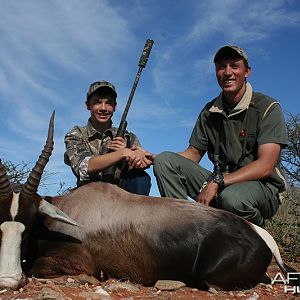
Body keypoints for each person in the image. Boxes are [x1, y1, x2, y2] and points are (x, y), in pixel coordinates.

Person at [153, 45, 288, 226]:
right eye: (221, 67)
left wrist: (218, 181)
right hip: (221, 185)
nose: (227, 72)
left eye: (234, 66)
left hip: (261, 188)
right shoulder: (210, 111)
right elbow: (193, 154)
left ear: (247, 71)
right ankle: (185, 230)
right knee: (165, 161)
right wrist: (154, 158)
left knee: (232, 199)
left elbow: (265, 166)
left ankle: (260, 240)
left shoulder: (267, 107)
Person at [64, 80, 153, 195]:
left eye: (109, 103)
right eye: (97, 102)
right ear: (88, 105)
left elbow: (142, 163)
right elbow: (83, 167)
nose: (103, 108)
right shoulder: (76, 134)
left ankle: (137, 211)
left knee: (140, 178)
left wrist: (134, 156)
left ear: (115, 107)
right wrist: (123, 153)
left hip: (121, 196)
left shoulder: (128, 137)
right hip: (88, 195)